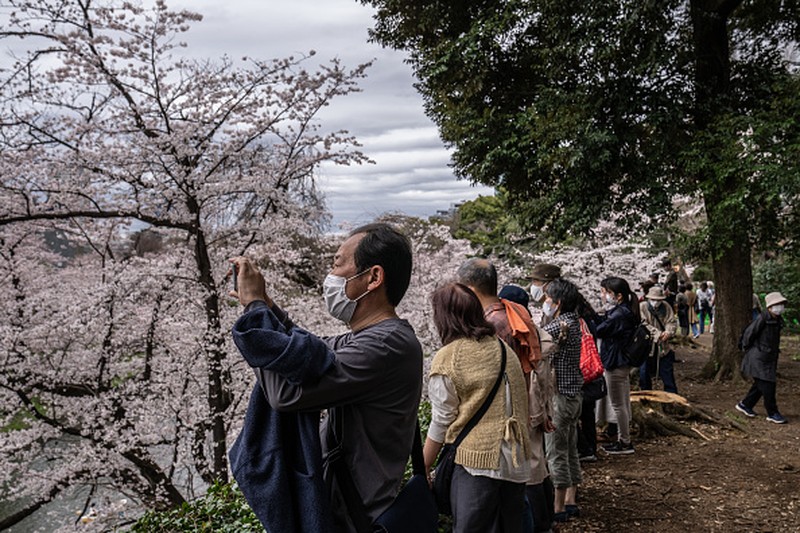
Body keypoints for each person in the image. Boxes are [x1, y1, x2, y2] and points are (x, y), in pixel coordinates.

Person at [229, 223, 423, 532]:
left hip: (356, 522)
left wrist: (255, 316)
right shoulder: (370, 337)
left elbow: (286, 394)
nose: (329, 276)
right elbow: (311, 349)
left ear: (373, 277)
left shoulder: (385, 345)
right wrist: (266, 306)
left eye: (337, 263)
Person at [424, 282, 532, 533]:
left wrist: (424, 466)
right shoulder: (503, 349)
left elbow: (441, 420)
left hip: (477, 461)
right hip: (515, 461)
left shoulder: (450, 357)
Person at [458, 262, 554, 533]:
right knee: (515, 498)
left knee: (509, 502)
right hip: (515, 417)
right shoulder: (509, 314)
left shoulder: (494, 323)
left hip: (501, 424)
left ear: (470, 288)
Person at [541, 279, 585, 524]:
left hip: (558, 398)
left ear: (557, 302)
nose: (545, 301)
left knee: (555, 451)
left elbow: (537, 346)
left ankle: (557, 507)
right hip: (575, 395)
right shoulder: (576, 322)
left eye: (548, 298)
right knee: (570, 448)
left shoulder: (558, 325)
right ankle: (571, 499)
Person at [594, 277, 639, 455]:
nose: (603, 295)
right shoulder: (623, 311)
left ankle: (624, 442)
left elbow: (600, 329)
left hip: (616, 363)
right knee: (620, 403)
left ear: (618, 296)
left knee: (618, 404)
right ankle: (622, 439)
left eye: (606, 292)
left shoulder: (620, 314)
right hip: (621, 361)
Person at [736, 292, 790, 424]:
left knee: (761, 384)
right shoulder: (762, 318)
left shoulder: (777, 320)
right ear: (770, 306)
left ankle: (745, 405)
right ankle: (772, 412)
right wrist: (748, 349)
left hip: (768, 357)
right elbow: (749, 334)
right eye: (777, 304)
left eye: (781, 304)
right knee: (768, 385)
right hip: (758, 357)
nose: (780, 307)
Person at [639, 286, 679, 394]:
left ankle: (671, 394)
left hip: (663, 345)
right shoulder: (642, 307)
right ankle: (645, 394)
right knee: (644, 372)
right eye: (653, 300)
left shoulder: (666, 307)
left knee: (666, 370)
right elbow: (642, 323)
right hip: (646, 345)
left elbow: (671, 321)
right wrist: (657, 334)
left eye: (658, 300)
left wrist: (668, 332)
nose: (656, 302)